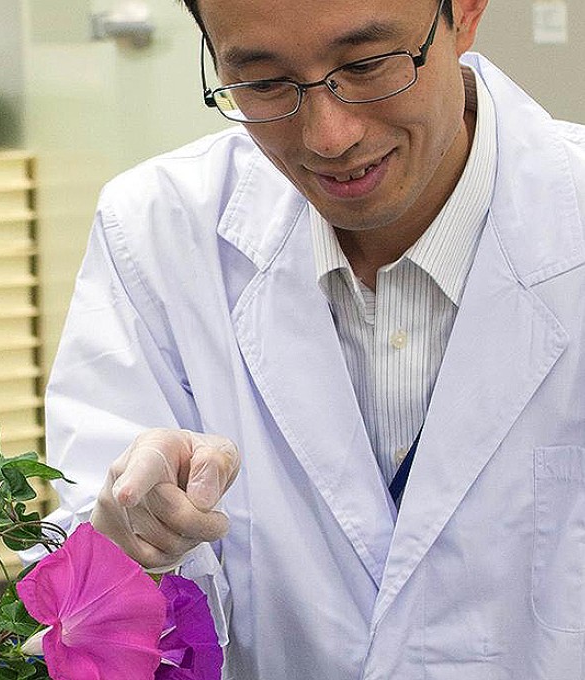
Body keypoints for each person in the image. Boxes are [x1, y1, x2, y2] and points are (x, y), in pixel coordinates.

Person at [43, 0, 585, 676]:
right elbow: (86, 616)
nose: (329, 136)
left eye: (366, 65)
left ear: (466, 14)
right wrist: (129, 545)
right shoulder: (156, 232)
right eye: (265, 83)